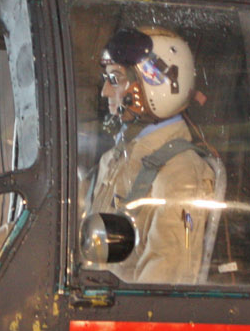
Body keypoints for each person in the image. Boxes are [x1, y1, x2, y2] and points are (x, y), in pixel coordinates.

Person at [85, 26, 220, 285]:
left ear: (154, 86)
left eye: (115, 79)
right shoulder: (113, 158)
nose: (104, 91)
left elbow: (162, 289)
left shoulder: (180, 176)